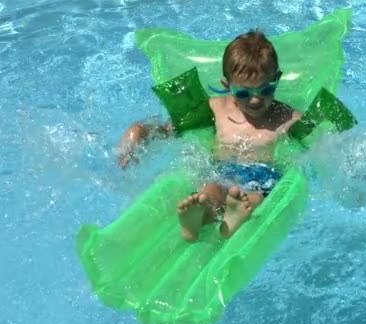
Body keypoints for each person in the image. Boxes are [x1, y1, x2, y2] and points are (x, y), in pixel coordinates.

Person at [116, 30, 301, 242]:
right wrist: (143, 131)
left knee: (256, 199)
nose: (255, 100)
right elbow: (172, 129)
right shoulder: (215, 109)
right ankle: (195, 224)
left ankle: (233, 220)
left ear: (277, 79)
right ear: (226, 85)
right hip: (221, 173)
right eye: (243, 93)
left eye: (265, 90)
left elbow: (326, 143)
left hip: (262, 180)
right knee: (209, 191)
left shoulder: (288, 119)